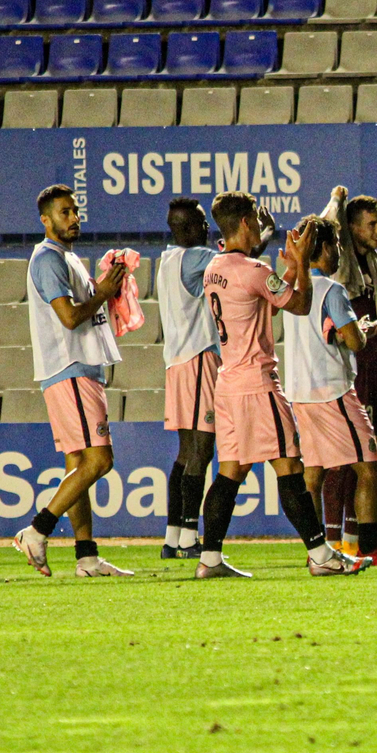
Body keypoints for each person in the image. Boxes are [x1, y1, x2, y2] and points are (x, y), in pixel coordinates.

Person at [194, 195, 368, 578]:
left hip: (228, 384)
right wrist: (301, 263)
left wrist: (288, 269)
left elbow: (265, 303)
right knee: (290, 466)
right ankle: (321, 557)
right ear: (244, 222)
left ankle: (209, 560)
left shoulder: (214, 269)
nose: (260, 225)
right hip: (257, 383)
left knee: (230, 472)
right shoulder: (254, 269)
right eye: (256, 219)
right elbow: (301, 305)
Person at [11, 185, 132, 578]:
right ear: (46, 220)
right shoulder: (47, 259)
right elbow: (68, 317)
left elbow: (86, 310)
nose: (74, 218)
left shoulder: (67, 257)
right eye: (64, 212)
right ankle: (36, 530)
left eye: (75, 211)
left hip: (79, 369)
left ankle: (87, 558)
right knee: (100, 460)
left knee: (78, 464)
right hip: (70, 368)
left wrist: (107, 294)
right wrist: (103, 295)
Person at [155, 199, 274, 560]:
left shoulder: (166, 260)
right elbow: (238, 261)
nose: (207, 227)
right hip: (198, 358)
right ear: (187, 229)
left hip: (176, 360)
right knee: (201, 451)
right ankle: (190, 536)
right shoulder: (196, 258)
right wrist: (266, 233)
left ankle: (173, 536)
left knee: (185, 453)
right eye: (200, 222)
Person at [285, 217, 377, 567]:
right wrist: (364, 331)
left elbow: (318, 333)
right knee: (371, 467)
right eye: (336, 245)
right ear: (323, 249)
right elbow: (353, 340)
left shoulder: (291, 287)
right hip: (332, 391)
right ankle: (368, 547)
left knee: (315, 473)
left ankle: (317, 550)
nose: (340, 252)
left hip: (300, 391)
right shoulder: (331, 290)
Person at [317, 187, 377, 556]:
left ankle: (354, 543)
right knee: (344, 460)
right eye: (372, 223)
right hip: (349, 369)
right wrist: (337, 203)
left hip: (376, 366)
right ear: (351, 229)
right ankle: (334, 539)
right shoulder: (342, 267)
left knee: (366, 455)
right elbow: (323, 228)